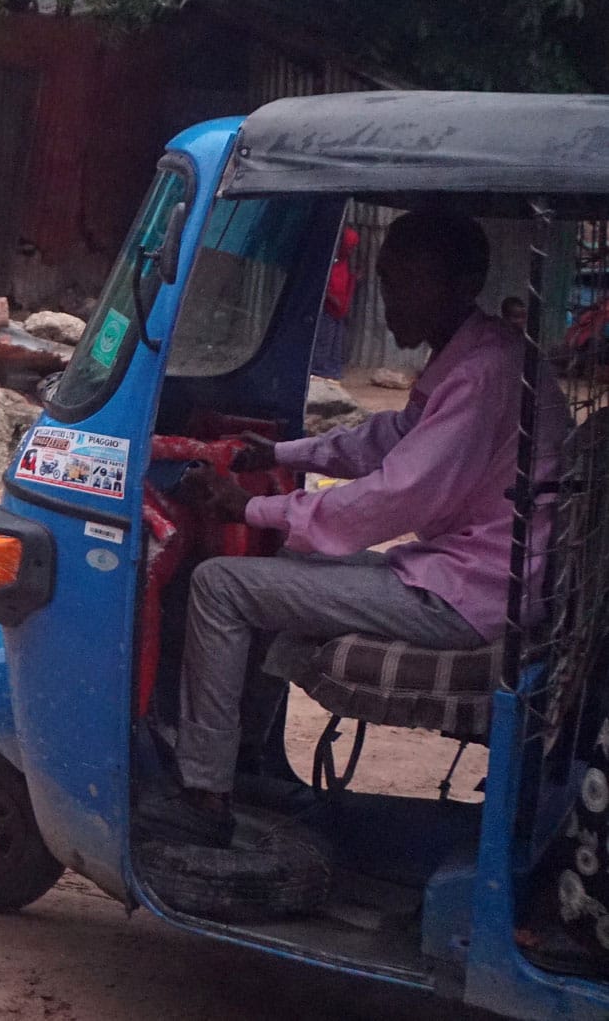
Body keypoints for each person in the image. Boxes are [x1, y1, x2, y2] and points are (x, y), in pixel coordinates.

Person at [140, 211, 564, 847]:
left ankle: (205, 794)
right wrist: (280, 455)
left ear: (463, 283)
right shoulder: (474, 354)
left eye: (409, 284)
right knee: (279, 580)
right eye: (387, 281)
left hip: (466, 597)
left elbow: (395, 494)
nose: (391, 299)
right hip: (462, 574)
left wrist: (249, 508)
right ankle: (242, 762)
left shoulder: (482, 374)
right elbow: (389, 439)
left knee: (220, 585)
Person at [312, 225, 359, 379]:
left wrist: (355, 279)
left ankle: (332, 370)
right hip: (328, 308)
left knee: (336, 342)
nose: (351, 252)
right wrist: (332, 298)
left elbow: (343, 282)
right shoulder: (331, 261)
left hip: (340, 310)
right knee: (324, 340)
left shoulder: (343, 262)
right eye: (350, 247)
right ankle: (318, 369)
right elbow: (323, 283)